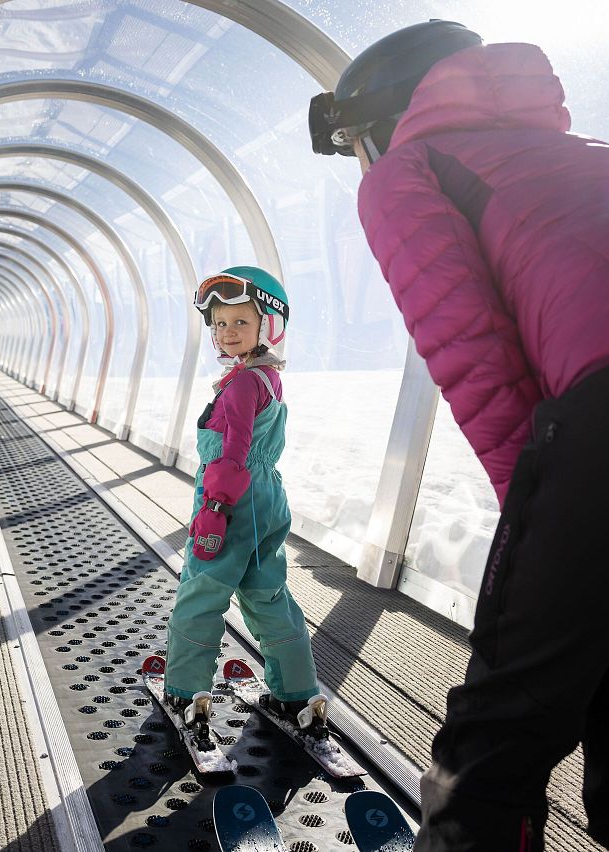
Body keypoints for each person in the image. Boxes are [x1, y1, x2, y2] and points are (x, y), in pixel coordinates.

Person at [309, 19, 609, 851]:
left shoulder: (409, 169)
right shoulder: (587, 154)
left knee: (498, 735)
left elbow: (475, 359)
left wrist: (537, 539)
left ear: (384, 121)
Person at [163, 266, 327, 743]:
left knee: (202, 591)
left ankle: (186, 691)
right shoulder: (267, 377)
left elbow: (233, 451)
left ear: (267, 327)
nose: (227, 332)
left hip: (230, 502)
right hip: (267, 500)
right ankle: (297, 692)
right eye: (219, 324)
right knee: (267, 593)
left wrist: (214, 506)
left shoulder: (239, 386)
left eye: (240, 322)